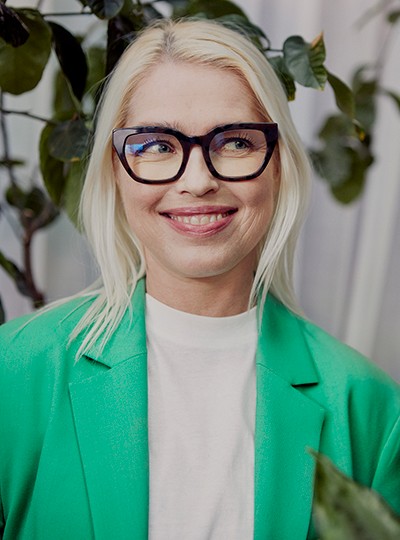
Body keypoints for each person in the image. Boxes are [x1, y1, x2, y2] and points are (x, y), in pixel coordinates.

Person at [0, 18, 399, 540]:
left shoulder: (370, 407)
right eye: (156, 146)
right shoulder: (15, 371)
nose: (198, 181)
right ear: (114, 169)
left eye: (235, 142)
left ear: (277, 165)